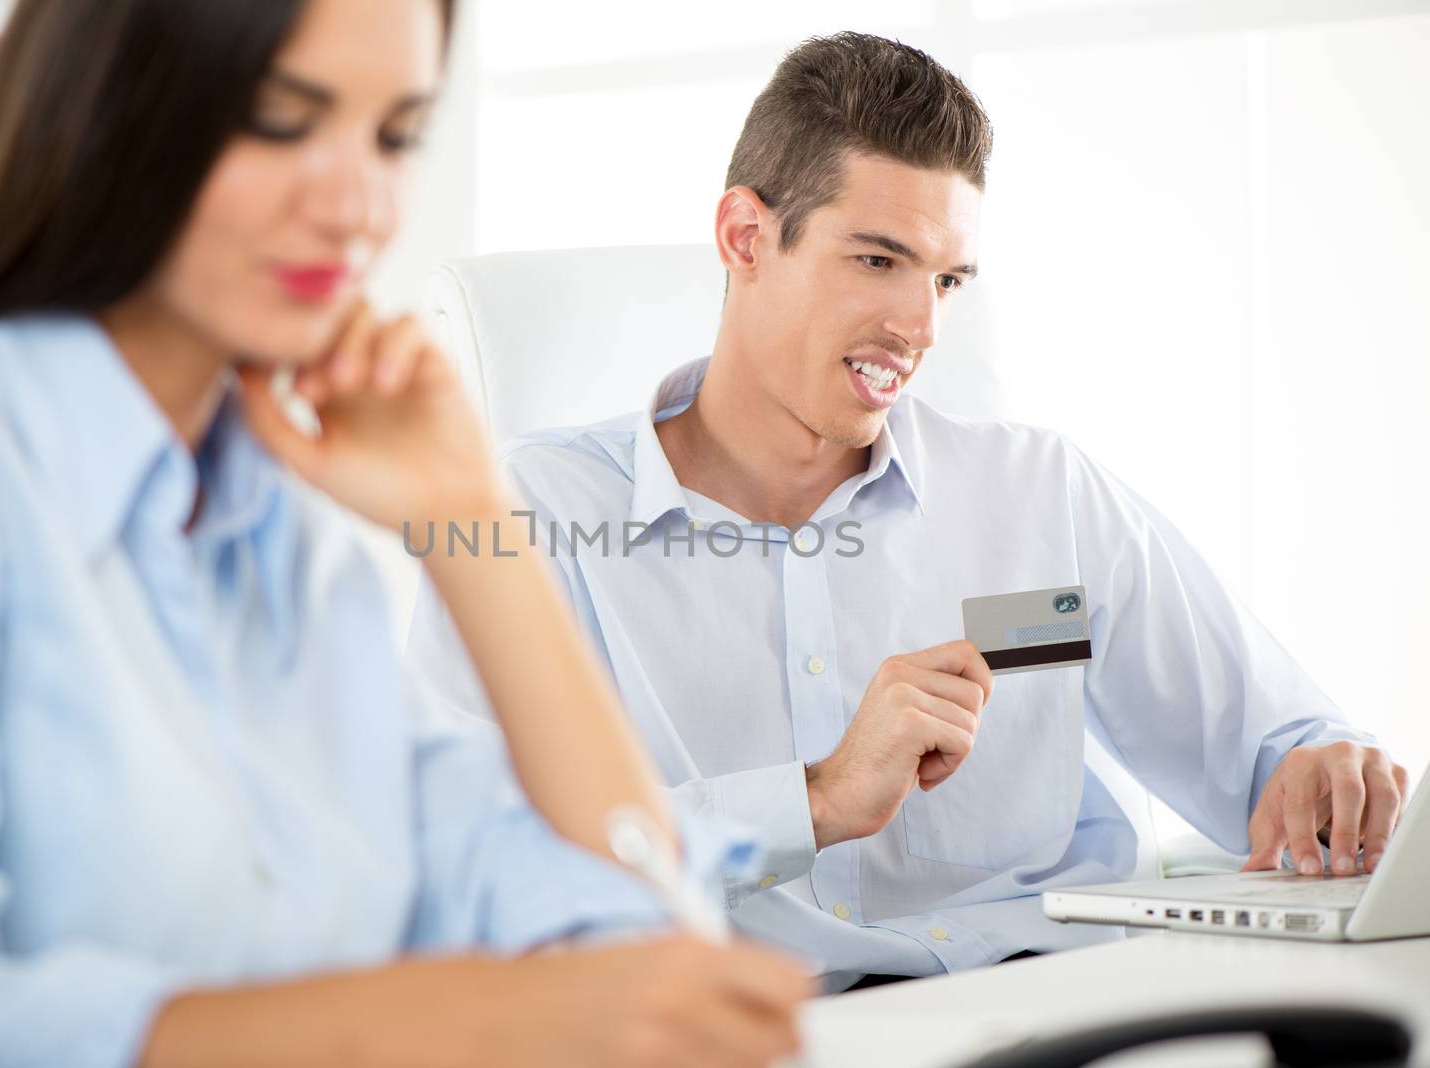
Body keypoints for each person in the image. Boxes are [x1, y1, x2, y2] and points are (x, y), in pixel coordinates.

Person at [0, 0, 811, 1064]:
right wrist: (475, 1022)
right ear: (108, 113)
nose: (360, 205)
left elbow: (652, 943)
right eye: (279, 119)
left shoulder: (289, 543)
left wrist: (469, 520)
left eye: (394, 136)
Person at [406, 31, 1411, 992]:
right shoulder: (533, 518)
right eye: (877, 261)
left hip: (1069, 1010)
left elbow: (1275, 751)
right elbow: (462, 867)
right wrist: (815, 801)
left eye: (946, 279)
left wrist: (1320, 775)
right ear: (744, 235)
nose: (920, 326)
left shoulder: (1040, 498)